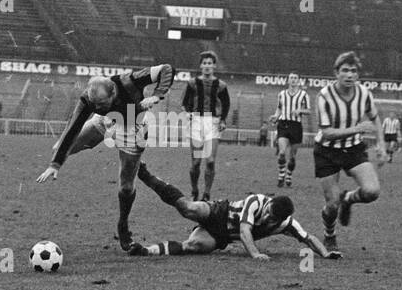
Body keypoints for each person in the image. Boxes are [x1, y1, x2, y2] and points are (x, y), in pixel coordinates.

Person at [36, 63, 175, 249]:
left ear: (113, 93)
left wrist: (157, 94)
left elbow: (166, 69)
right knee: (60, 147)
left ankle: (123, 226)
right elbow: (73, 128)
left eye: (102, 104)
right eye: (95, 105)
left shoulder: (130, 80)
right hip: (106, 121)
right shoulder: (88, 99)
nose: (97, 107)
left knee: (126, 187)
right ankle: (96, 146)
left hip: (132, 127)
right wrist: (55, 164)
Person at [127, 163, 341, 260]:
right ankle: (146, 175)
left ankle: (145, 251)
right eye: (268, 212)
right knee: (188, 208)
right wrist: (255, 254)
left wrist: (325, 253)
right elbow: (245, 231)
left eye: (272, 219)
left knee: (191, 246)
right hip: (219, 212)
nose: (266, 218)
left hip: (220, 236)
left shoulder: (287, 224)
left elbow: (308, 238)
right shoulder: (256, 200)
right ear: (268, 203)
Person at [314, 51, 383, 251]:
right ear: (336, 73)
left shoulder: (364, 94)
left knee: (372, 191)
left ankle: (348, 198)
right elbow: (326, 133)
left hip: (353, 149)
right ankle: (329, 234)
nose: (349, 75)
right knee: (332, 205)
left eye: (353, 71)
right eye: (345, 70)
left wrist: (381, 146)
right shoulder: (324, 96)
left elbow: (375, 118)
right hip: (327, 151)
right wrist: (357, 129)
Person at [181, 51, 231, 200]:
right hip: (196, 122)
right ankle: (194, 189)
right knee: (196, 162)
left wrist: (222, 120)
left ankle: (206, 194)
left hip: (213, 123)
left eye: (210, 63)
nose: (207, 66)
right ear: (200, 66)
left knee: (210, 161)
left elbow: (226, 104)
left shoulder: (221, 85)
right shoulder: (192, 83)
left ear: (214, 65)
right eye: (205, 63)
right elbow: (184, 104)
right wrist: (187, 113)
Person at [269, 71, 311, 187]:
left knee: (292, 156)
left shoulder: (304, 95)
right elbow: (279, 109)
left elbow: (308, 110)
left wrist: (300, 111)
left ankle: (289, 174)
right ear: (288, 80)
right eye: (291, 78)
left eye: (295, 78)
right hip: (283, 123)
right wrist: (275, 116)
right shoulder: (282, 94)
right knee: (282, 152)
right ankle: (281, 175)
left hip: (296, 126)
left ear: (298, 80)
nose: (293, 80)